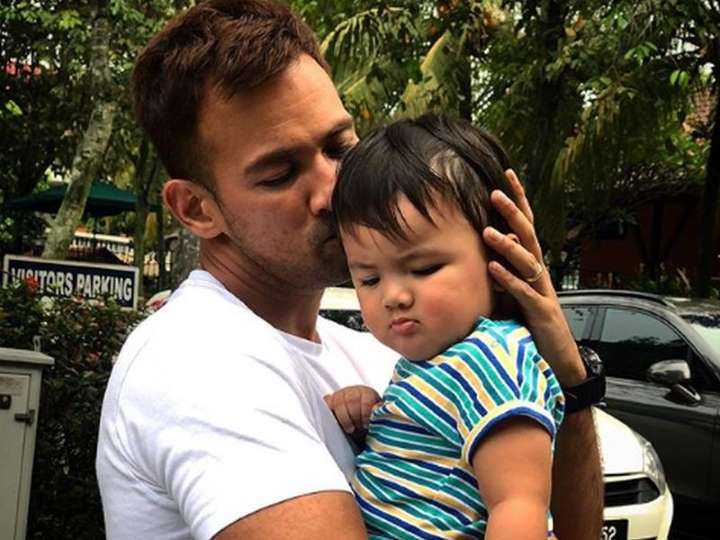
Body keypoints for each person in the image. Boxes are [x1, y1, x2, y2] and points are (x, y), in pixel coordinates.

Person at [95, 1, 603, 539]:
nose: (333, 191)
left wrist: (568, 376)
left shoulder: (389, 348)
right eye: (279, 173)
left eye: (339, 147)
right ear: (197, 209)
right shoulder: (197, 362)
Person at [325, 114, 564, 539]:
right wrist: (371, 415)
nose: (393, 296)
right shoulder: (434, 364)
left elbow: (519, 504)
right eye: (369, 279)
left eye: (424, 268)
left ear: (500, 258)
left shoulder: (493, 361)